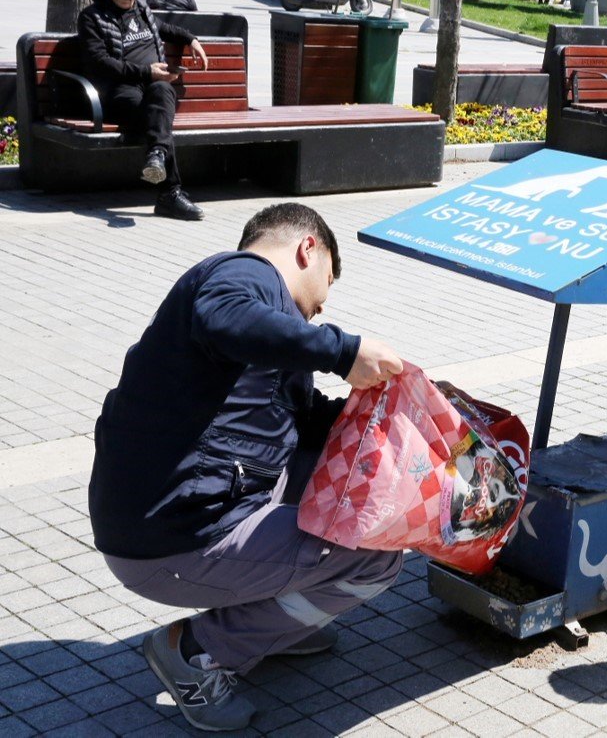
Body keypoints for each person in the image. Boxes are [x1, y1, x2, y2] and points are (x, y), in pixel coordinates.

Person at [90, 202, 405, 731]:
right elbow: (226, 317)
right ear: (308, 249)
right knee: (376, 553)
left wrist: (394, 414)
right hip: (174, 539)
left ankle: (272, 622)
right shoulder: (242, 276)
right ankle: (197, 652)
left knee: (348, 479)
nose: (321, 308)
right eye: (328, 281)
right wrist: (342, 351)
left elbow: (307, 422)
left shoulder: (263, 324)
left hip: (184, 514)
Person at [79, 0, 208, 220]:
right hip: (118, 91)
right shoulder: (92, 17)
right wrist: (147, 71)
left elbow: (164, 28)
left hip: (153, 89)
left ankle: (157, 156)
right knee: (157, 117)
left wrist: (190, 39)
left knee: (162, 92)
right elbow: (100, 62)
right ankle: (169, 193)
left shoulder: (141, 9)